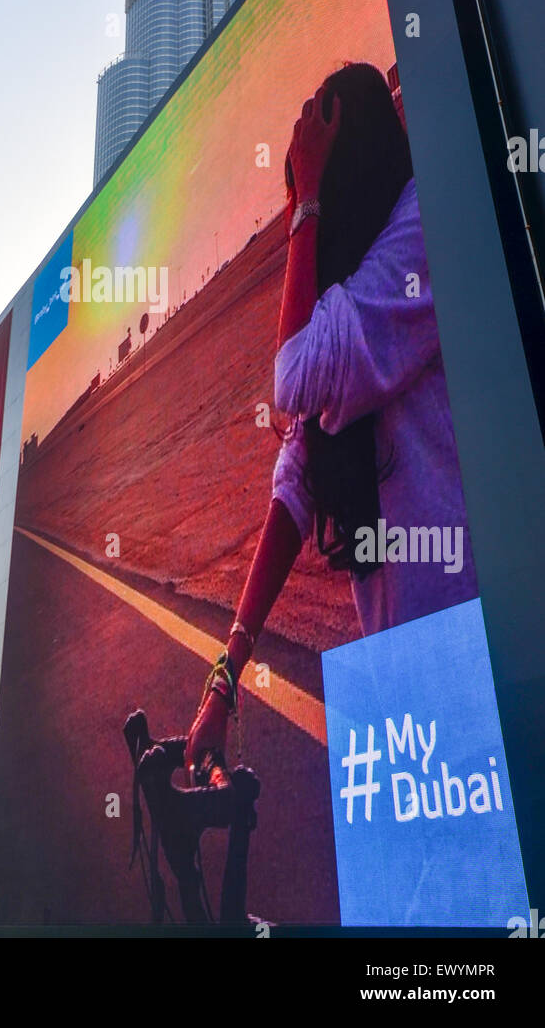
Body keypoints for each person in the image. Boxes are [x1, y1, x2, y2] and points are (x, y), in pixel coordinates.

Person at [185, 62, 478, 780]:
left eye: (312, 184)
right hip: (408, 672)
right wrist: (222, 681)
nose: (302, 206)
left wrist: (307, 205)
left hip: (478, 648)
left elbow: (290, 378)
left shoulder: (420, 231)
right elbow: (293, 489)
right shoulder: (357, 291)